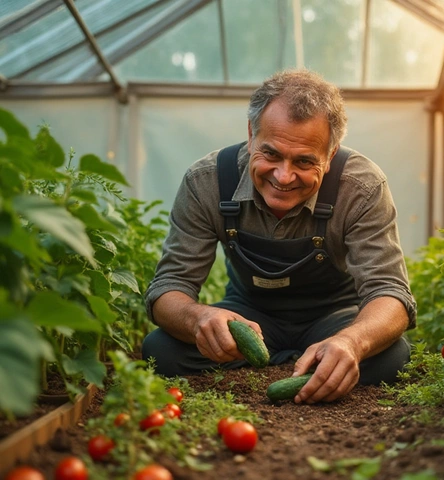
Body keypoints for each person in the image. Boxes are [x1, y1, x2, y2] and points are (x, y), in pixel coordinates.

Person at [143, 68, 417, 404]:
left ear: (330, 154)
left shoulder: (361, 187)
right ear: (251, 134)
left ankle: (324, 356)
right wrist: (200, 318)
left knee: (391, 358)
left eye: (304, 161)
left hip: (333, 317)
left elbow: (390, 293)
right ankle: (308, 366)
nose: (284, 177)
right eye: (271, 154)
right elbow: (169, 287)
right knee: (161, 350)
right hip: (249, 314)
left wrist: (351, 342)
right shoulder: (207, 181)